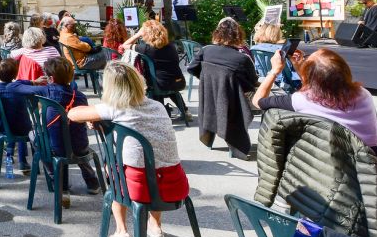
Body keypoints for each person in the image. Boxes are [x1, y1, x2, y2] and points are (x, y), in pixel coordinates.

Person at [68, 61, 190, 237]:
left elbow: (74, 114)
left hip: (136, 189)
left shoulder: (114, 108)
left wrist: (99, 116)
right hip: (175, 185)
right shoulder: (158, 107)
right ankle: (156, 227)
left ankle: (121, 232)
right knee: (154, 166)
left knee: (115, 168)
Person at [251, 47, 377, 165]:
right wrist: (300, 68)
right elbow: (318, 87)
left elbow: (258, 101)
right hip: (372, 160)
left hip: (332, 162)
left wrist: (274, 71)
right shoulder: (363, 94)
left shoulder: (301, 100)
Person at [3, 57, 101, 201]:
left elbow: (11, 87)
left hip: (54, 148)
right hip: (80, 147)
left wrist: (33, 81)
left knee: (34, 136)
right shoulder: (80, 96)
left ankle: (59, 182)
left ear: (50, 78)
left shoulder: (44, 91)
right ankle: (92, 182)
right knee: (75, 140)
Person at [187, 18, 258, 158]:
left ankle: (209, 138)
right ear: (238, 36)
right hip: (232, 102)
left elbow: (191, 68)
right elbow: (252, 82)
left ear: (217, 34)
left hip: (208, 98)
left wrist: (209, 81)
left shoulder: (205, 51)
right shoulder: (242, 59)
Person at [124, 20, 188, 117]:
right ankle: (185, 111)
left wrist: (137, 34)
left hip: (159, 85)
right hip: (179, 82)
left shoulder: (146, 49)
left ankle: (160, 113)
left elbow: (124, 46)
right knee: (169, 83)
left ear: (147, 34)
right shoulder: (171, 46)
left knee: (152, 82)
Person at [248, 21, 299, 89]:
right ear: (276, 34)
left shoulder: (254, 49)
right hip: (287, 84)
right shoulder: (281, 50)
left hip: (265, 82)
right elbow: (290, 71)